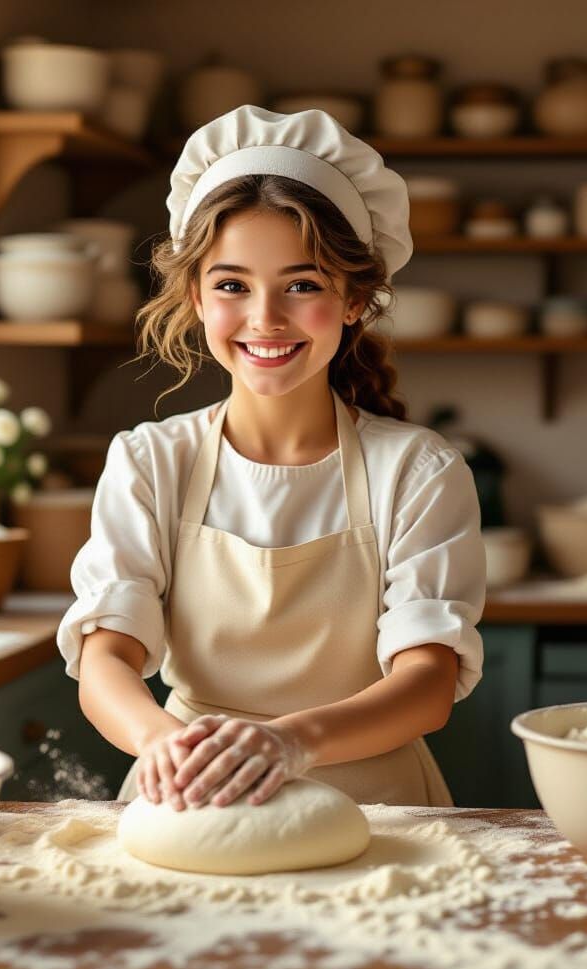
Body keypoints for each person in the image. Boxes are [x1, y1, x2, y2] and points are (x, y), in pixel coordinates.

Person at [56, 104, 485, 813]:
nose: (265, 318)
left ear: (354, 299)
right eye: (232, 285)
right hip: (189, 795)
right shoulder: (150, 461)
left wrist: (290, 743)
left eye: (303, 284)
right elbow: (106, 655)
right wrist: (159, 739)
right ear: (195, 298)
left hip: (376, 811)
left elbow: (427, 683)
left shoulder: (416, 470)